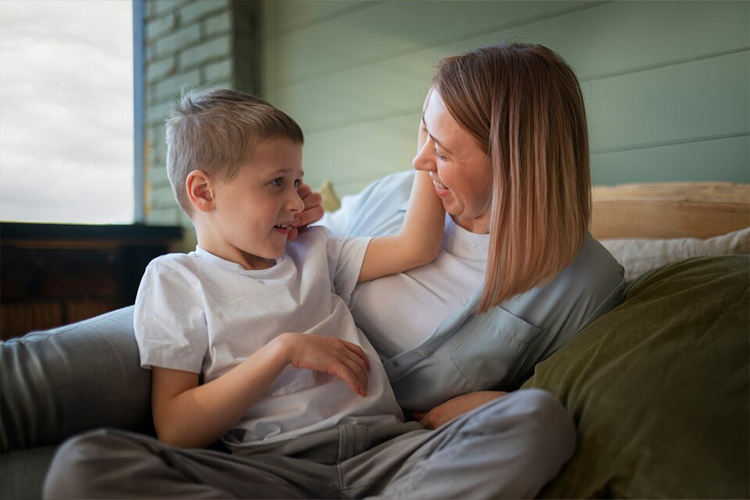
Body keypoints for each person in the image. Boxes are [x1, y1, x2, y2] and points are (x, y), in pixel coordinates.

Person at [43, 84, 576, 499]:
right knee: (85, 465)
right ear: (203, 191)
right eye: (278, 183)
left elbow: (417, 245)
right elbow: (178, 427)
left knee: (538, 419)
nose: (299, 201)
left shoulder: (316, 250)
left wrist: (429, 142)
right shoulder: (176, 279)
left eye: (299, 181)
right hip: (269, 472)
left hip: (386, 455)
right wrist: (284, 351)